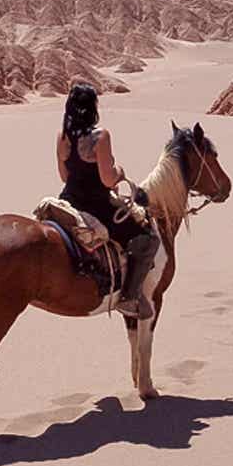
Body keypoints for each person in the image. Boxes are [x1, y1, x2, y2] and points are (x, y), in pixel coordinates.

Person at [56, 83, 161, 319]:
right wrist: (120, 172)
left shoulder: (63, 137)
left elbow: (64, 176)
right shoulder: (100, 136)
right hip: (96, 205)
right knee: (147, 237)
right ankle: (129, 298)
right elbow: (107, 180)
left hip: (69, 199)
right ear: (92, 106)